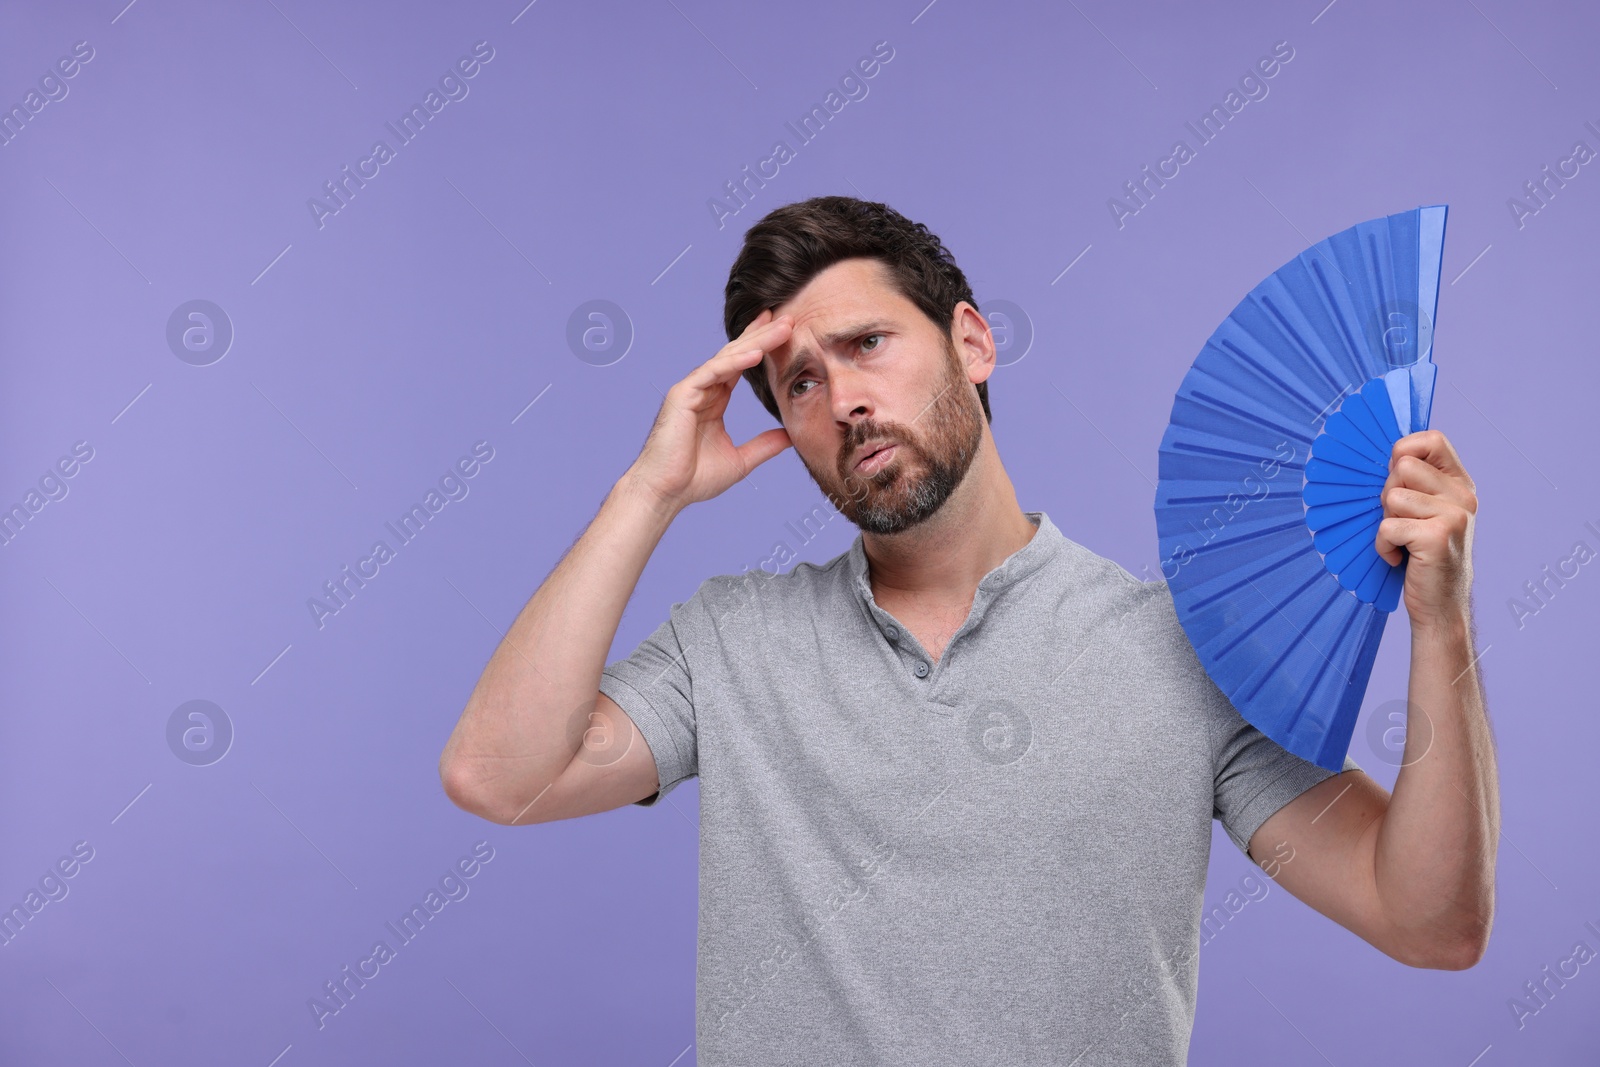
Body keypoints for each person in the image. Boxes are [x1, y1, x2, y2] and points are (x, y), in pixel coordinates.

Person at [439, 196, 1498, 1065]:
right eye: (799, 381)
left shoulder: (1182, 648)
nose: (843, 398)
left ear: (972, 340)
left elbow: (1428, 919)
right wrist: (647, 491)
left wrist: (1438, 618)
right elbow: (499, 773)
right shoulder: (732, 640)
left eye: (866, 344)